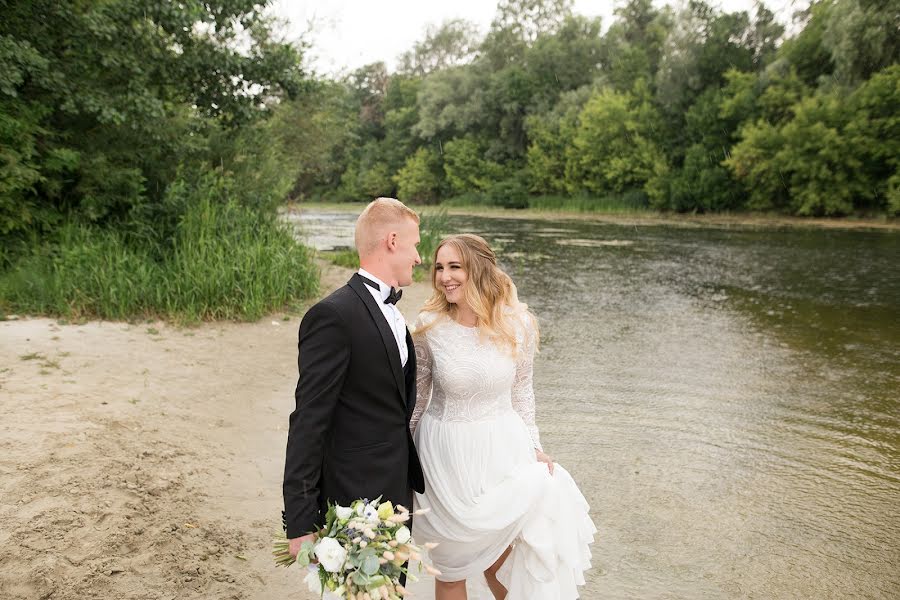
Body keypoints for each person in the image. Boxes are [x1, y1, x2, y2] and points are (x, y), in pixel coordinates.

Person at [411, 234, 595, 600]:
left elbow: (522, 393)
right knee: (449, 569)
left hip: (503, 453)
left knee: (502, 561)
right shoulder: (428, 326)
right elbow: (417, 399)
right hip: (444, 459)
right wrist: (397, 454)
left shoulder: (518, 324)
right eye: (439, 267)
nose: (445, 276)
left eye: (455, 267)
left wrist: (536, 448)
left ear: (478, 269)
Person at [283, 197, 425, 561]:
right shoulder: (333, 316)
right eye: (416, 245)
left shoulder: (393, 314)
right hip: (354, 495)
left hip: (396, 490)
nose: (419, 257)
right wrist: (300, 519)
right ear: (392, 241)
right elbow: (308, 421)